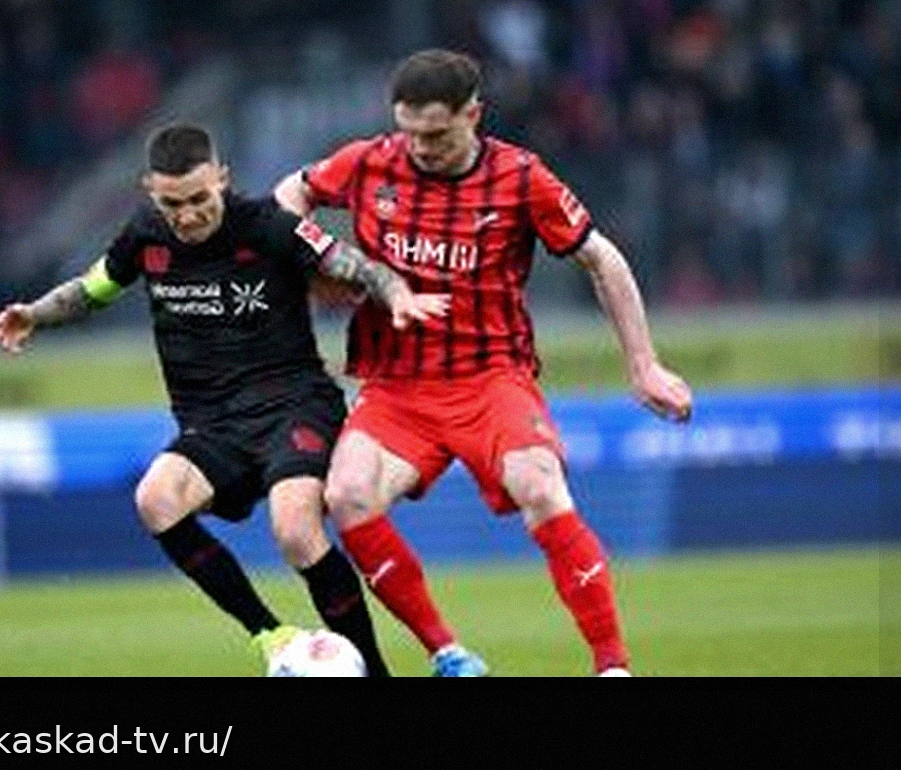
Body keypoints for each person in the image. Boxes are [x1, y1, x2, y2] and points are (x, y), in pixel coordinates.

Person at [274, 49, 693, 677]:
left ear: (474, 114)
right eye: (410, 132)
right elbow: (290, 195)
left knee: (540, 486)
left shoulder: (521, 178)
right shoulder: (369, 161)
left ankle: (612, 667)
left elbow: (602, 259)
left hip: (491, 377)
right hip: (396, 384)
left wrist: (644, 367)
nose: (420, 148)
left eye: (437, 134)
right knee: (348, 495)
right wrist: (328, 259)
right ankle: (448, 654)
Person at [0, 123, 451, 677]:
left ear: (222, 179)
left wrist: (396, 293)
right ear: (150, 191)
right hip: (211, 424)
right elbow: (93, 289)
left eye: (199, 199)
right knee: (156, 499)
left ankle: (373, 672)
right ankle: (272, 636)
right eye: (172, 204)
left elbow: (353, 265)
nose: (187, 216)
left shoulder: (270, 227)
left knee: (295, 529)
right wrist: (34, 314)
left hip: (293, 406)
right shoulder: (144, 236)